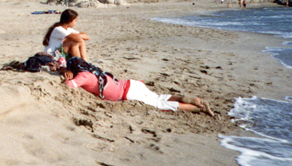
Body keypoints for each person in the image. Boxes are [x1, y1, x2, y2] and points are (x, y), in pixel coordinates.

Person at [60, 57, 215, 116]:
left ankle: (196, 108)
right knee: (158, 96)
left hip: (128, 94)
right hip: (131, 84)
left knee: (159, 104)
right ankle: (184, 98)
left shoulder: (83, 76)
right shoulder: (94, 71)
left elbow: (70, 85)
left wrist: (64, 71)